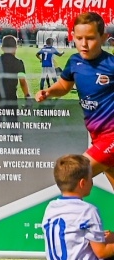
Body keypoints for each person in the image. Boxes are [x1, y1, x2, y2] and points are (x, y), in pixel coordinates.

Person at [36, 12, 114, 192]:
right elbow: (64, 85)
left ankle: (65, 218)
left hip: (111, 138)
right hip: (97, 137)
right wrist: (48, 92)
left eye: (90, 38)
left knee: (73, 177)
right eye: (79, 38)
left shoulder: (111, 65)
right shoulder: (75, 61)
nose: (84, 44)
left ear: (104, 38)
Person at [41, 153, 114, 260]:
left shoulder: (51, 208)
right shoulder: (88, 211)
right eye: (91, 177)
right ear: (82, 183)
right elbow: (101, 252)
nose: (92, 182)